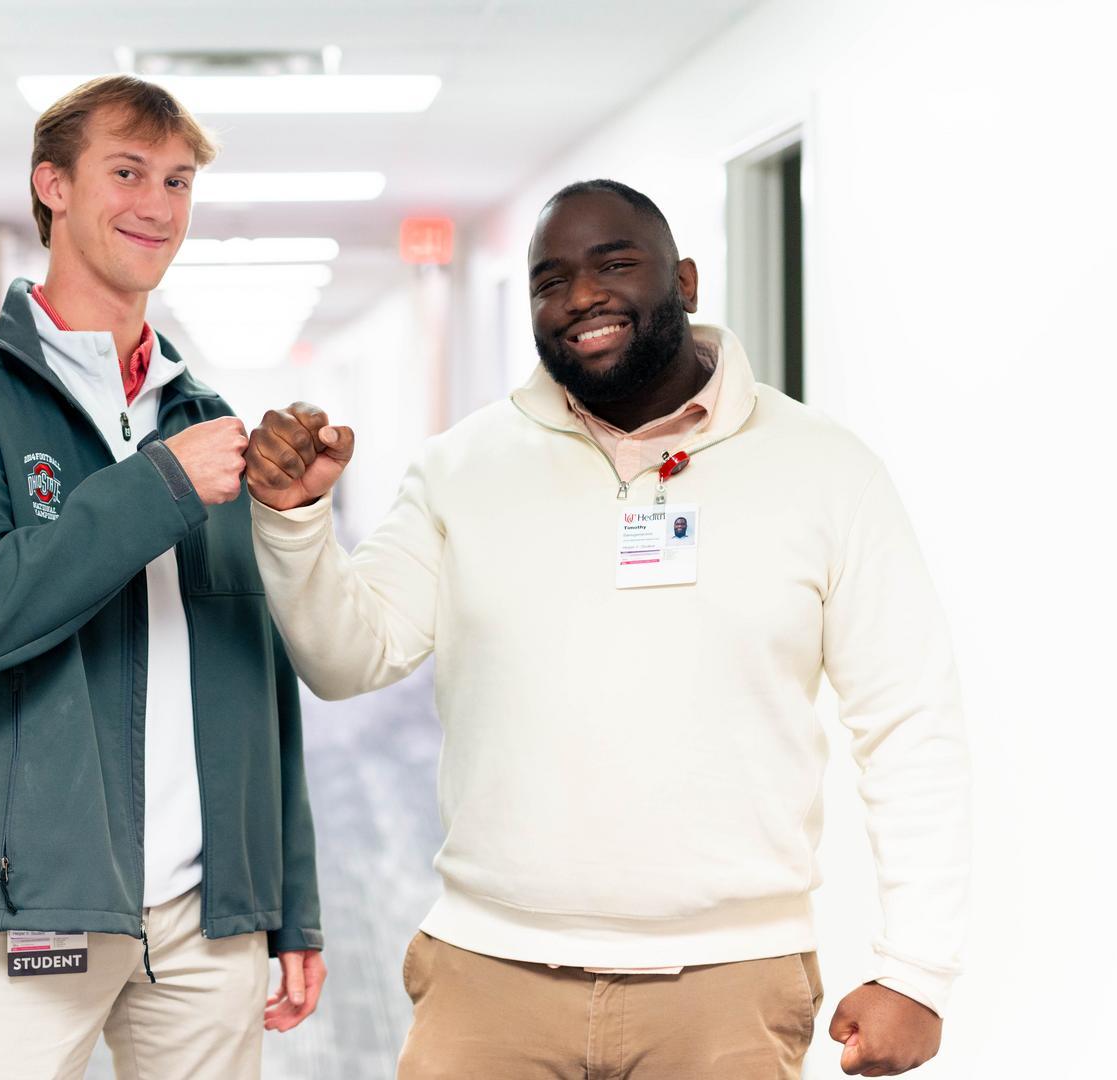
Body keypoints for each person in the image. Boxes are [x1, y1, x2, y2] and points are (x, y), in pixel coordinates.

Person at [245, 179, 968, 1078]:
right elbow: (347, 659)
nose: (580, 296)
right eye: (550, 280)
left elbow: (909, 724)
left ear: (686, 280)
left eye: (614, 264)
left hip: (727, 985)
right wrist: (295, 524)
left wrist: (917, 969)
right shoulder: (461, 468)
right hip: (490, 973)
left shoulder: (825, 471)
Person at [0, 75, 324, 1080]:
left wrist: (285, 898)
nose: (156, 205)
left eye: (177, 181)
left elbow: (256, 674)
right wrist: (157, 490)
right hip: (23, 911)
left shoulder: (199, 412)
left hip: (205, 918)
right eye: (126, 172)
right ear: (52, 184)